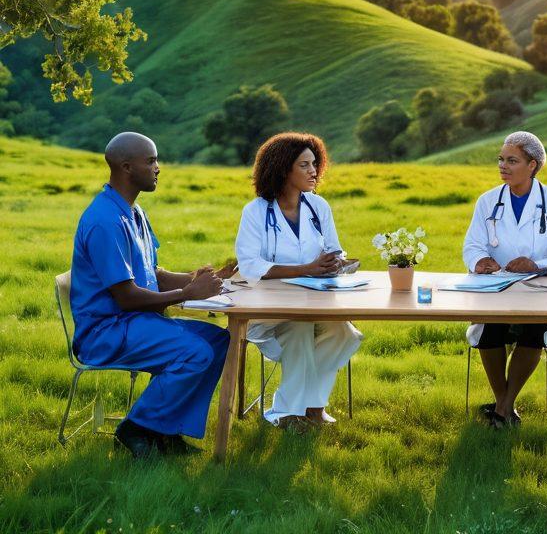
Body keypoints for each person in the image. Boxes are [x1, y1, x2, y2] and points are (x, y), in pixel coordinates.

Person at [70, 132, 235, 458]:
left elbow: (153, 274)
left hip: (135, 322)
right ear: (127, 167)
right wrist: (187, 293)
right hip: (106, 331)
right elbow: (127, 297)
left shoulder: (135, 213)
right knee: (196, 353)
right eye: (151, 161)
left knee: (219, 342)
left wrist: (202, 278)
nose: (158, 167)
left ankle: (166, 430)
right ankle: (137, 428)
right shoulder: (105, 220)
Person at [234, 132, 362, 430]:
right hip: (268, 310)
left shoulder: (319, 207)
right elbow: (250, 265)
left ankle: (309, 407)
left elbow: (333, 248)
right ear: (283, 169)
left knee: (344, 333)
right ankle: (289, 412)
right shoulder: (255, 212)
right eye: (304, 165)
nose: (314, 171)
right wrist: (305, 269)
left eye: (315, 164)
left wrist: (337, 262)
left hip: (313, 301)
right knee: (301, 327)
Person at [462, 131, 547, 427]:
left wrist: (536, 264)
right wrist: (480, 261)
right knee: (490, 332)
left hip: (539, 288)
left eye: (512, 160)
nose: (503, 166)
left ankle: (502, 408)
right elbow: (472, 245)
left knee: (534, 330)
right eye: (501, 159)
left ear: (533, 165)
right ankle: (505, 406)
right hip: (496, 288)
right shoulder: (488, 201)